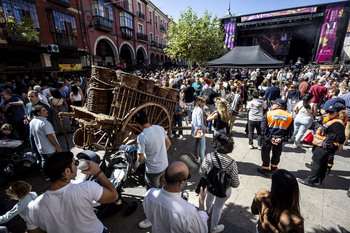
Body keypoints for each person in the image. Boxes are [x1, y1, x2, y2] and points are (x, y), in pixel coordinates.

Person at [26, 152, 118, 233]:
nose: (77, 166)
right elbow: (114, 196)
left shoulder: (32, 208)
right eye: (75, 163)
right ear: (67, 171)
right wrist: (99, 173)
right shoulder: (87, 187)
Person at [143, 161, 208, 233]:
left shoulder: (150, 194)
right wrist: (201, 203)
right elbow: (202, 230)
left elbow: (148, 214)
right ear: (181, 182)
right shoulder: (189, 213)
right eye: (188, 177)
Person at [135, 111, 171, 229]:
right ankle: (166, 211)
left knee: (152, 196)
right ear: (148, 118)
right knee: (164, 190)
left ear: (137, 123)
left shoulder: (142, 137)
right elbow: (169, 143)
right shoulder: (160, 128)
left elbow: (139, 159)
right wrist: (160, 153)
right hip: (165, 165)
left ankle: (150, 219)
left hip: (153, 170)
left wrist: (147, 155)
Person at [199, 134, 239, 233]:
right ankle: (213, 228)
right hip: (224, 190)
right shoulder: (232, 163)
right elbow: (235, 183)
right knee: (218, 208)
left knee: (209, 198)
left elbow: (201, 171)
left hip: (211, 185)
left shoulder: (209, 156)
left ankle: (207, 212)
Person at [299, 102, 346, 187]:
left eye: (330, 112)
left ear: (337, 113)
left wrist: (340, 147)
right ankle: (319, 180)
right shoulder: (332, 119)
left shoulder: (337, 123)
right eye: (327, 111)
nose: (327, 113)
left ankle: (310, 180)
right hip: (324, 146)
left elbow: (341, 137)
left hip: (326, 146)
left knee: (316, 162)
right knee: (323, 163)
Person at [258, 99, 293, 178]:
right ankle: (274, 168)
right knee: (277, 153)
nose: (272, 105)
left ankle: (265, 168)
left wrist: (270, 138)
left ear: (278, 106)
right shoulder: (289, 116)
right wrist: (282, 139)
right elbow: (290, 131)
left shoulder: (268, 114)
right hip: (279, 140)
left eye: (273, 104)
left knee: (265, 152)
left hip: (268, 138)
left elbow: (263, 128)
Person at [29, 105, 62, 170]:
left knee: (45, 162)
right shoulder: (44, 123)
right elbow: (49, 136)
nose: (47, 111)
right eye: (44, 111)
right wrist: (57, 146)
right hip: (50, 150)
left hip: (41, 149)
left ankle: (45, 175)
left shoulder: (32, 122)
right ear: (38, 113)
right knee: (54, 165)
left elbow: (33, 134)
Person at [192, 96, 207, 163]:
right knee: (203, 147)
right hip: (200, 130)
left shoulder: (195, 108)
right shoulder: (200, 110)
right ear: (200, 102)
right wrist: (205, 128)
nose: (205, 103)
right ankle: (203, 162)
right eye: (204, 102)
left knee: (197, 144)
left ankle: (196, 157)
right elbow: (200, 123)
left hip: (196, 130)